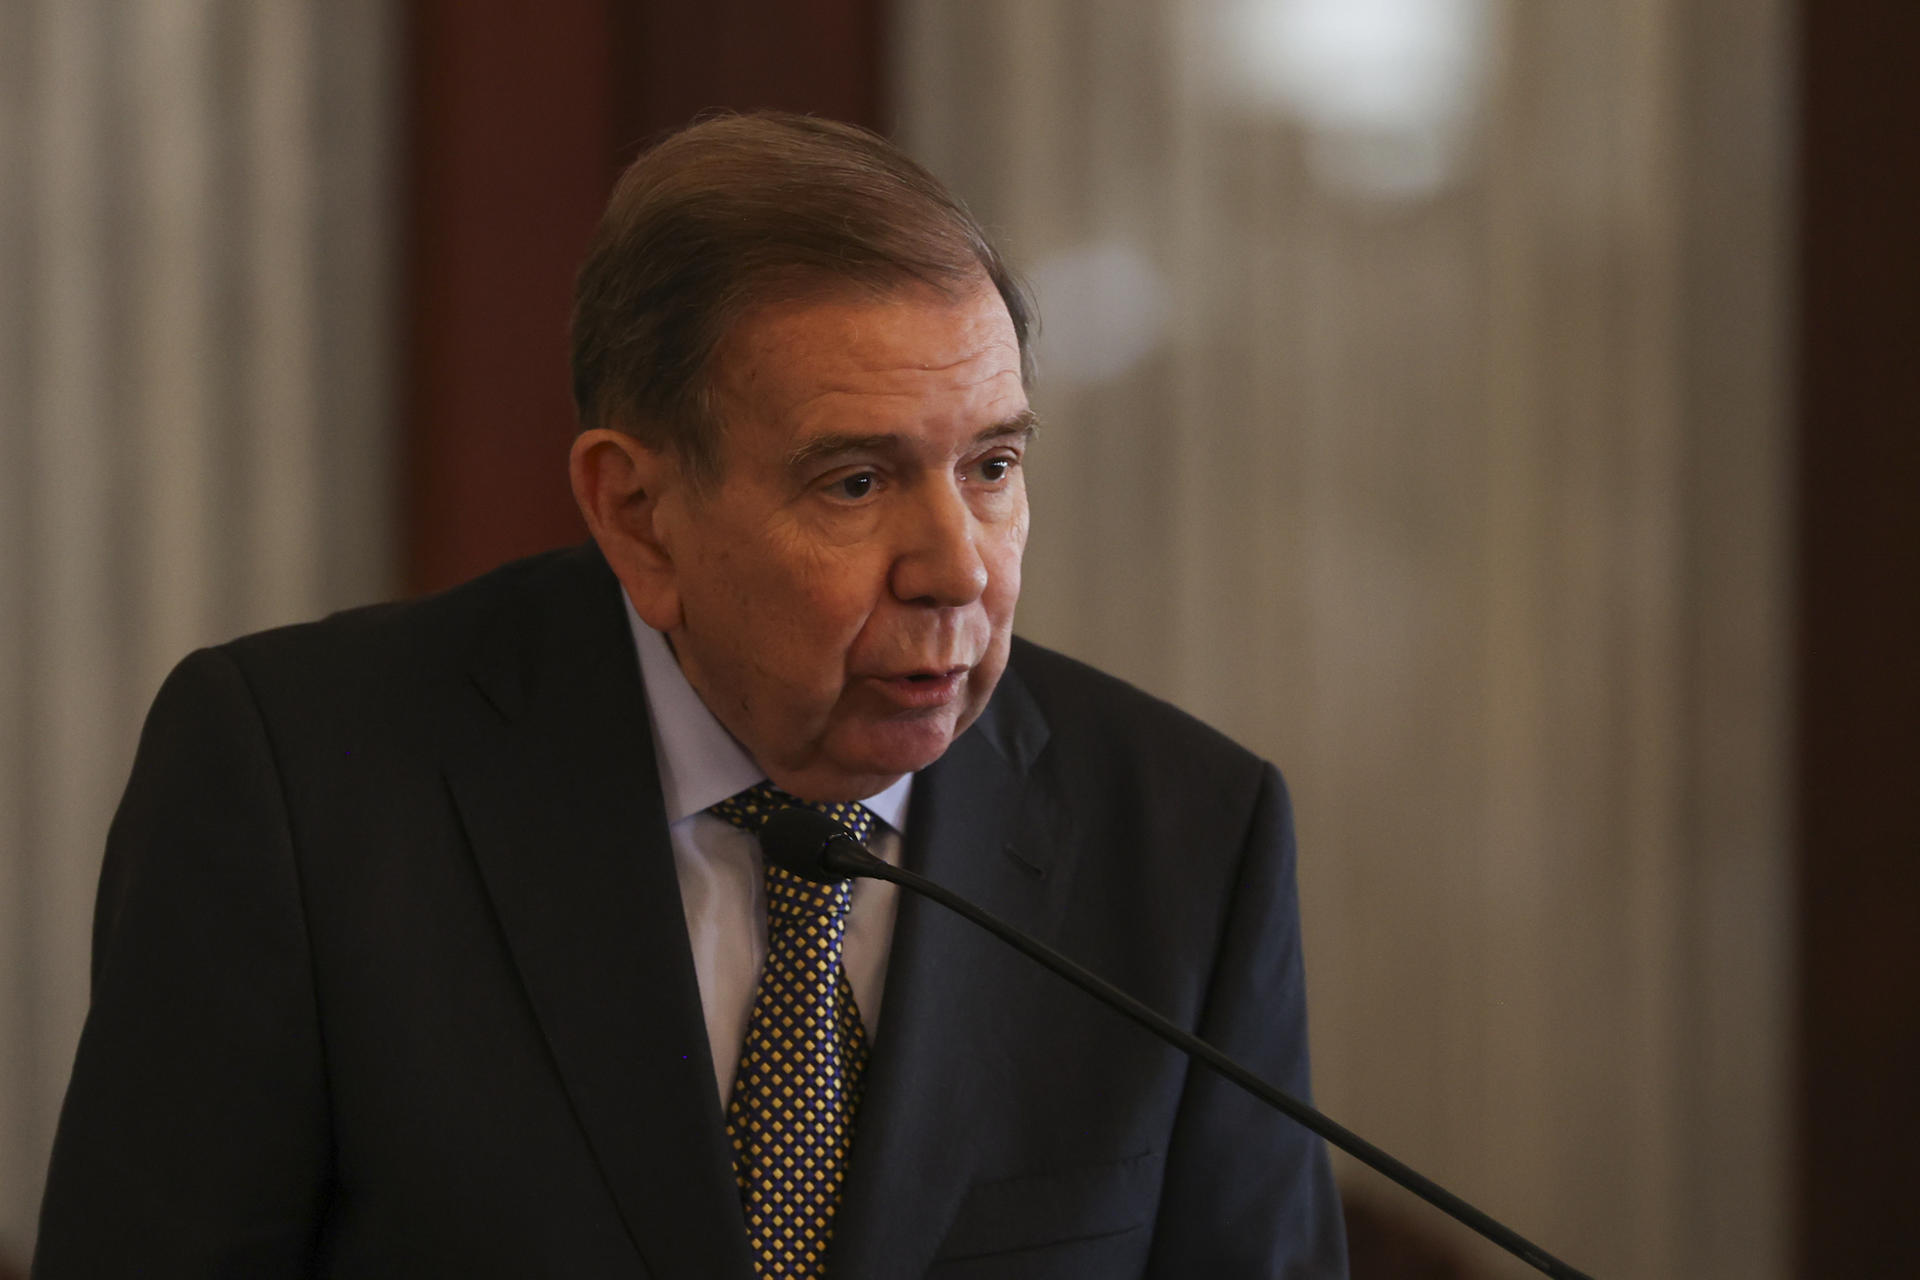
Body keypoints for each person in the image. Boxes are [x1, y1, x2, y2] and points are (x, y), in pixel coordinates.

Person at [33, 113, 1346, 1278]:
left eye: (992, 465)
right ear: (637, 511)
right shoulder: (302, 791)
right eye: (855, 481)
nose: (958, 567)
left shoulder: (1187, 841)